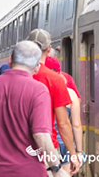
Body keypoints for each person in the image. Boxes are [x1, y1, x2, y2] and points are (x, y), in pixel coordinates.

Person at [0, 41, 68, 177]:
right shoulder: (38, 90)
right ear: (37, 67)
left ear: (10, 60)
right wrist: (57, 169)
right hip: (30, 172)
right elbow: (41, 135)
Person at [28, 29, 80, 176]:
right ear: (49, 48)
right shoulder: (55, 80)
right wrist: (73, 154)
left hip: (15, 149)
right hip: (46, 148)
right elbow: (63, 124)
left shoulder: (15, 77)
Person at [45, 56, 83, 176]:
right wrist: (78, 152)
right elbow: (76, 125)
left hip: (46, 143)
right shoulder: (71, 94)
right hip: (65, 144)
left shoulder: (39, 91)